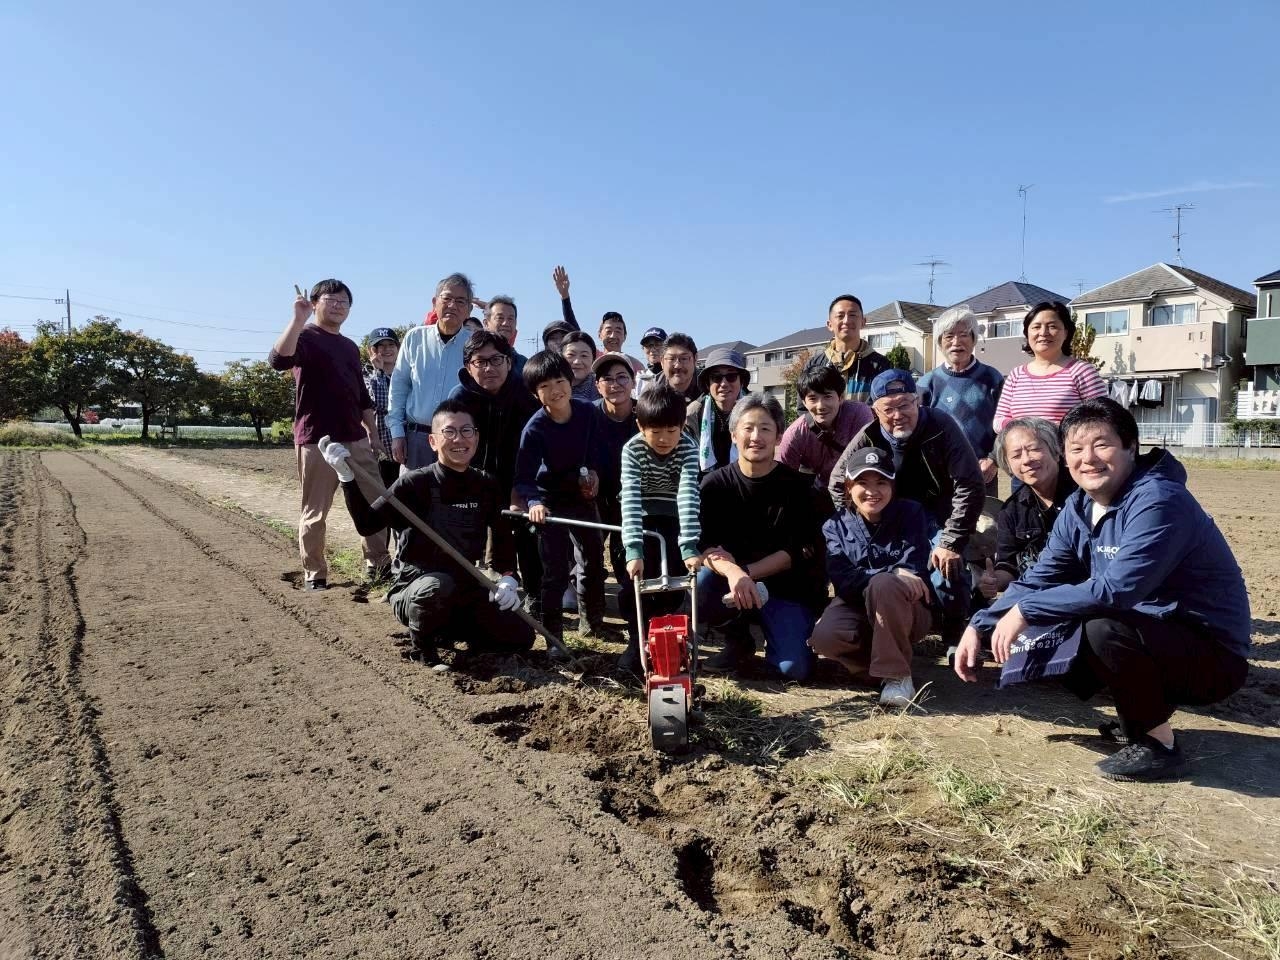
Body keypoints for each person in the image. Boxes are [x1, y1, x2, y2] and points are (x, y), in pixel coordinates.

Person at [956, 398, 1251, 782]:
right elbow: (1039, 577)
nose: (1088, 459)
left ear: (1131, 447)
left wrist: (1026, 611)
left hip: (1213, 656)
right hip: (1155, 633)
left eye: (1102, 445)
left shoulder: (1159, 501)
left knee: (1099, 625)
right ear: (1065, 456)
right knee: (1062, 625)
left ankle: (1157, 745)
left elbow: (1118, 590)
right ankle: (1139, 715)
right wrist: (980, 624)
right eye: (1076, 449)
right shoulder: (1080, 507)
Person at [320, 400, 533, 669]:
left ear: (476, 437)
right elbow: (367, 524)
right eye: (449, 432)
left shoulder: (485, 484)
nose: (459, 439)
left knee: (521, 634)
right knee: (437, 587)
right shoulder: (415, 483)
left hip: (465, 585)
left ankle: (451, 633)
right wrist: (346, 477)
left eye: (466, 431)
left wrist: (508, 578)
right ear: (433, 441)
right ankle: (424, 650)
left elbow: (502, 538)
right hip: (416, 587)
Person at [829, 369, 984, 647]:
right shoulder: (868, 435)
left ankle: (954, 627)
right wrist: (862, 524)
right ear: (875, 411)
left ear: (918, 400)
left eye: (904, 405)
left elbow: (970, 483)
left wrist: (951, 539)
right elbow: (838, 482)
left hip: (940, 515)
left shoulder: (941, 425)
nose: (898, 415)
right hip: (893, 517)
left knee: (947, 567)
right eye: (888, 409)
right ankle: (895, 621)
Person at [269, 280, 391, 590]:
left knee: (376, 501)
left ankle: (378, 564)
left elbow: (361, 395)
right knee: (315, 510)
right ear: (314, 304)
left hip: (356, 438)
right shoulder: (305, 336)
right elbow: (278, 360)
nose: (338, 306)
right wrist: (298, 319)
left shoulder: (349, 346)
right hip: (317, 440)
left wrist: (373, 433)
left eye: (344, 302)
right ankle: (315, 573)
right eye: (330, 300)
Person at [697, 394, 826, 681]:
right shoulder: (714, 485)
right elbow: (705, 546)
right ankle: (737, 640)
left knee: (794, 670)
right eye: (748, 428)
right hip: (731, 584)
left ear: (779, 437)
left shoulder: (797, 487)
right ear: (734, 435)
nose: (756, 437)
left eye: (765, 429)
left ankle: (780, 639)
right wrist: (734, 573)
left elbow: (795, 551)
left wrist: (746, 573)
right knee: (703, 583)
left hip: (784, 588)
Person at [808, 448, 933, 707]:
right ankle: (875, 671)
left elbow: (913, 569)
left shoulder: (911, 513)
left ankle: (896, 676)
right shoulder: (834, 526)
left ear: (892, 486)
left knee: (886, 584)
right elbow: (843, 580)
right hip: (855, 605)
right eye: (862, 483)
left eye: (881, 483)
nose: (872, 491)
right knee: (824, 637)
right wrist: (890, 572)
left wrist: (884, 577)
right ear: (849, 487)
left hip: (908, 609)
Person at [513, 350, 608, 644]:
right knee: (554, 570)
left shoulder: (588, 412)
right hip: (550, 501)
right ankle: (553, 634)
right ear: (535, 394)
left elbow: (596, 451)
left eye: (559, 381)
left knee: (593, 560)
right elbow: (524, 477)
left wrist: (593, 473)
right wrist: (534, 503)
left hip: (581, 497)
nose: (555, 390)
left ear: (570, 380)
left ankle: (591, 622)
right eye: (545, 386)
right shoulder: (534, 429)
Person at [449, 330, 543, 612]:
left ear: (509, 362)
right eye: (480, 362)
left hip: (519, 478)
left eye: (496, 360)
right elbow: (451, 446)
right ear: (468, 367)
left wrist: (522, 488)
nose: (489, 368)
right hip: (473, 479)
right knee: (465, 537)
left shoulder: (526, 395)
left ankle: (536, 596)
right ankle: (464, 596)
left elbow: (536, 447)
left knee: (528, 535)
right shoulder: (459, 398)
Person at [617, 386, 702, 673]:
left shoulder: (688, 447)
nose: (664, 439)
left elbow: (688, 494)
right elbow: (630, 498)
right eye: (655, 431)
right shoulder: (633, 450)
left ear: (682, 425)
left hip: (674, 515)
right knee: (636, 581)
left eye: (671, 430)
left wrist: (688, 546)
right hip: (641, 515)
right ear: (640, 426)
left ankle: (668, 637)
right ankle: (637, 639)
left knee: (673, 580)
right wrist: (634, 550)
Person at [978, 417, 1077, 601]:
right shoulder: (1011, 510)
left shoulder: (1084, 494)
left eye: (1034, 449)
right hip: (1037, 598)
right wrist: (994, 581)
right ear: (1008, 465)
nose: (1026, 460)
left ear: (1057, 452)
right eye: (1016, 456)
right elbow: (1008, 565)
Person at [389, 272, 475, 469]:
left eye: (460, 301)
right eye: (447, 298)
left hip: (458, 441)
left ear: (469, 310)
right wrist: (397, 433)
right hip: (416, 439)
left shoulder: (474, 344)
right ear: (435, 302)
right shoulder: (414, 338)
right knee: (411, 489)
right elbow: (399, 387)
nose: (452, 305)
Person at [917, 304, 1004, 495]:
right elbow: (917, 431)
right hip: (939, 476)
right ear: (940, 342)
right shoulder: (927, 383)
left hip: (982, 474)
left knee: (986, 515)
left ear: (974, 340)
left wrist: (994, 459)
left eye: (964, 335)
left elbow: (1006, 425)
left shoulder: (992, 378)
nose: (956, 342)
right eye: (949, 336)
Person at [591, 352, 640, 663]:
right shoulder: (588, 415)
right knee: (589, 559)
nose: (615, 384)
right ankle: (592, 621)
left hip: (631, 499)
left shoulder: (643, 415)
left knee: (627, 559)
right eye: (607, 378)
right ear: (597, 386)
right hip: (594, 496)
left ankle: (635, 627)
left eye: (622, 377)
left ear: (633, 382)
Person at [993, 301, 1107, 431]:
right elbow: (998, 421)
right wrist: (1025, 430)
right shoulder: (1016, 375)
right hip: (1022, 444)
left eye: (1052, 326)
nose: (1043, 332)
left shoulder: (1082, 371)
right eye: (1036, 327)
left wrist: (1049, 431)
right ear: (1027, 333)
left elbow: (1103, 418)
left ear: (1066, 332)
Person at [777, 363, 874, 498]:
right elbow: (781, 476)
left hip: (859, 489)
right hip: (821, 492)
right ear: (804, 402)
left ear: (840, 397)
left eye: (827, 396)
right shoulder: (796, 433)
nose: (820, 406)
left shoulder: (859, 414)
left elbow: (871, 458)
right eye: (812, 398)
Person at [803, 294, 891, 403]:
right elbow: (804, 407)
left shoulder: (880, 365)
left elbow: (884, 406)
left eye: (852, 315)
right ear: (829, 325)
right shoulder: (814, 364)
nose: (846, 321)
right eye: (840, 316)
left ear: (863, 322)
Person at [684, 347, 749, 476]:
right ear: (708, 384)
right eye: (716, 377)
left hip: (746, 479)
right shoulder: (693, 414)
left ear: (741, 381)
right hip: (704, 481)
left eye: (731, 376)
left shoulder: (756, 410)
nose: (724, 383)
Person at [364, 326, 401, 490]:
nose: (387, 350)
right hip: (381, 447)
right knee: (383, 493)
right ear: (372, 350)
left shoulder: (407, 374)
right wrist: (378, 372)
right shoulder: (365, 375)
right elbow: (382, 404)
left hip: (404, 445)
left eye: (391, 345)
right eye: (381, 346)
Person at [484, 295, 528, 378]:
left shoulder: (523, 364)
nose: (505, 323)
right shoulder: (475, 358)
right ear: (486, 323)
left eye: (510, 319)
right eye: (500, 318)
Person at [656, 332, 701, 402]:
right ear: (662, 361)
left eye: (684, 358)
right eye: (671, 359)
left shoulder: (710, 389)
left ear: (695, 359)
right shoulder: (651, 394)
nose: (678, 366)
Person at [561, 331, 600, 401]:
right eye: (571, 355)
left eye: (584, 355)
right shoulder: (550, 386)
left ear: (593, 359)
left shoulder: (603, 387)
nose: (577, 362)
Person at [635, 327, 667, 397]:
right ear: (643, 349)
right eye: (648, 345)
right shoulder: (638, 378)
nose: (652, 349)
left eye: (658, 344)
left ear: (667, 348)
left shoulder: (674, 375)